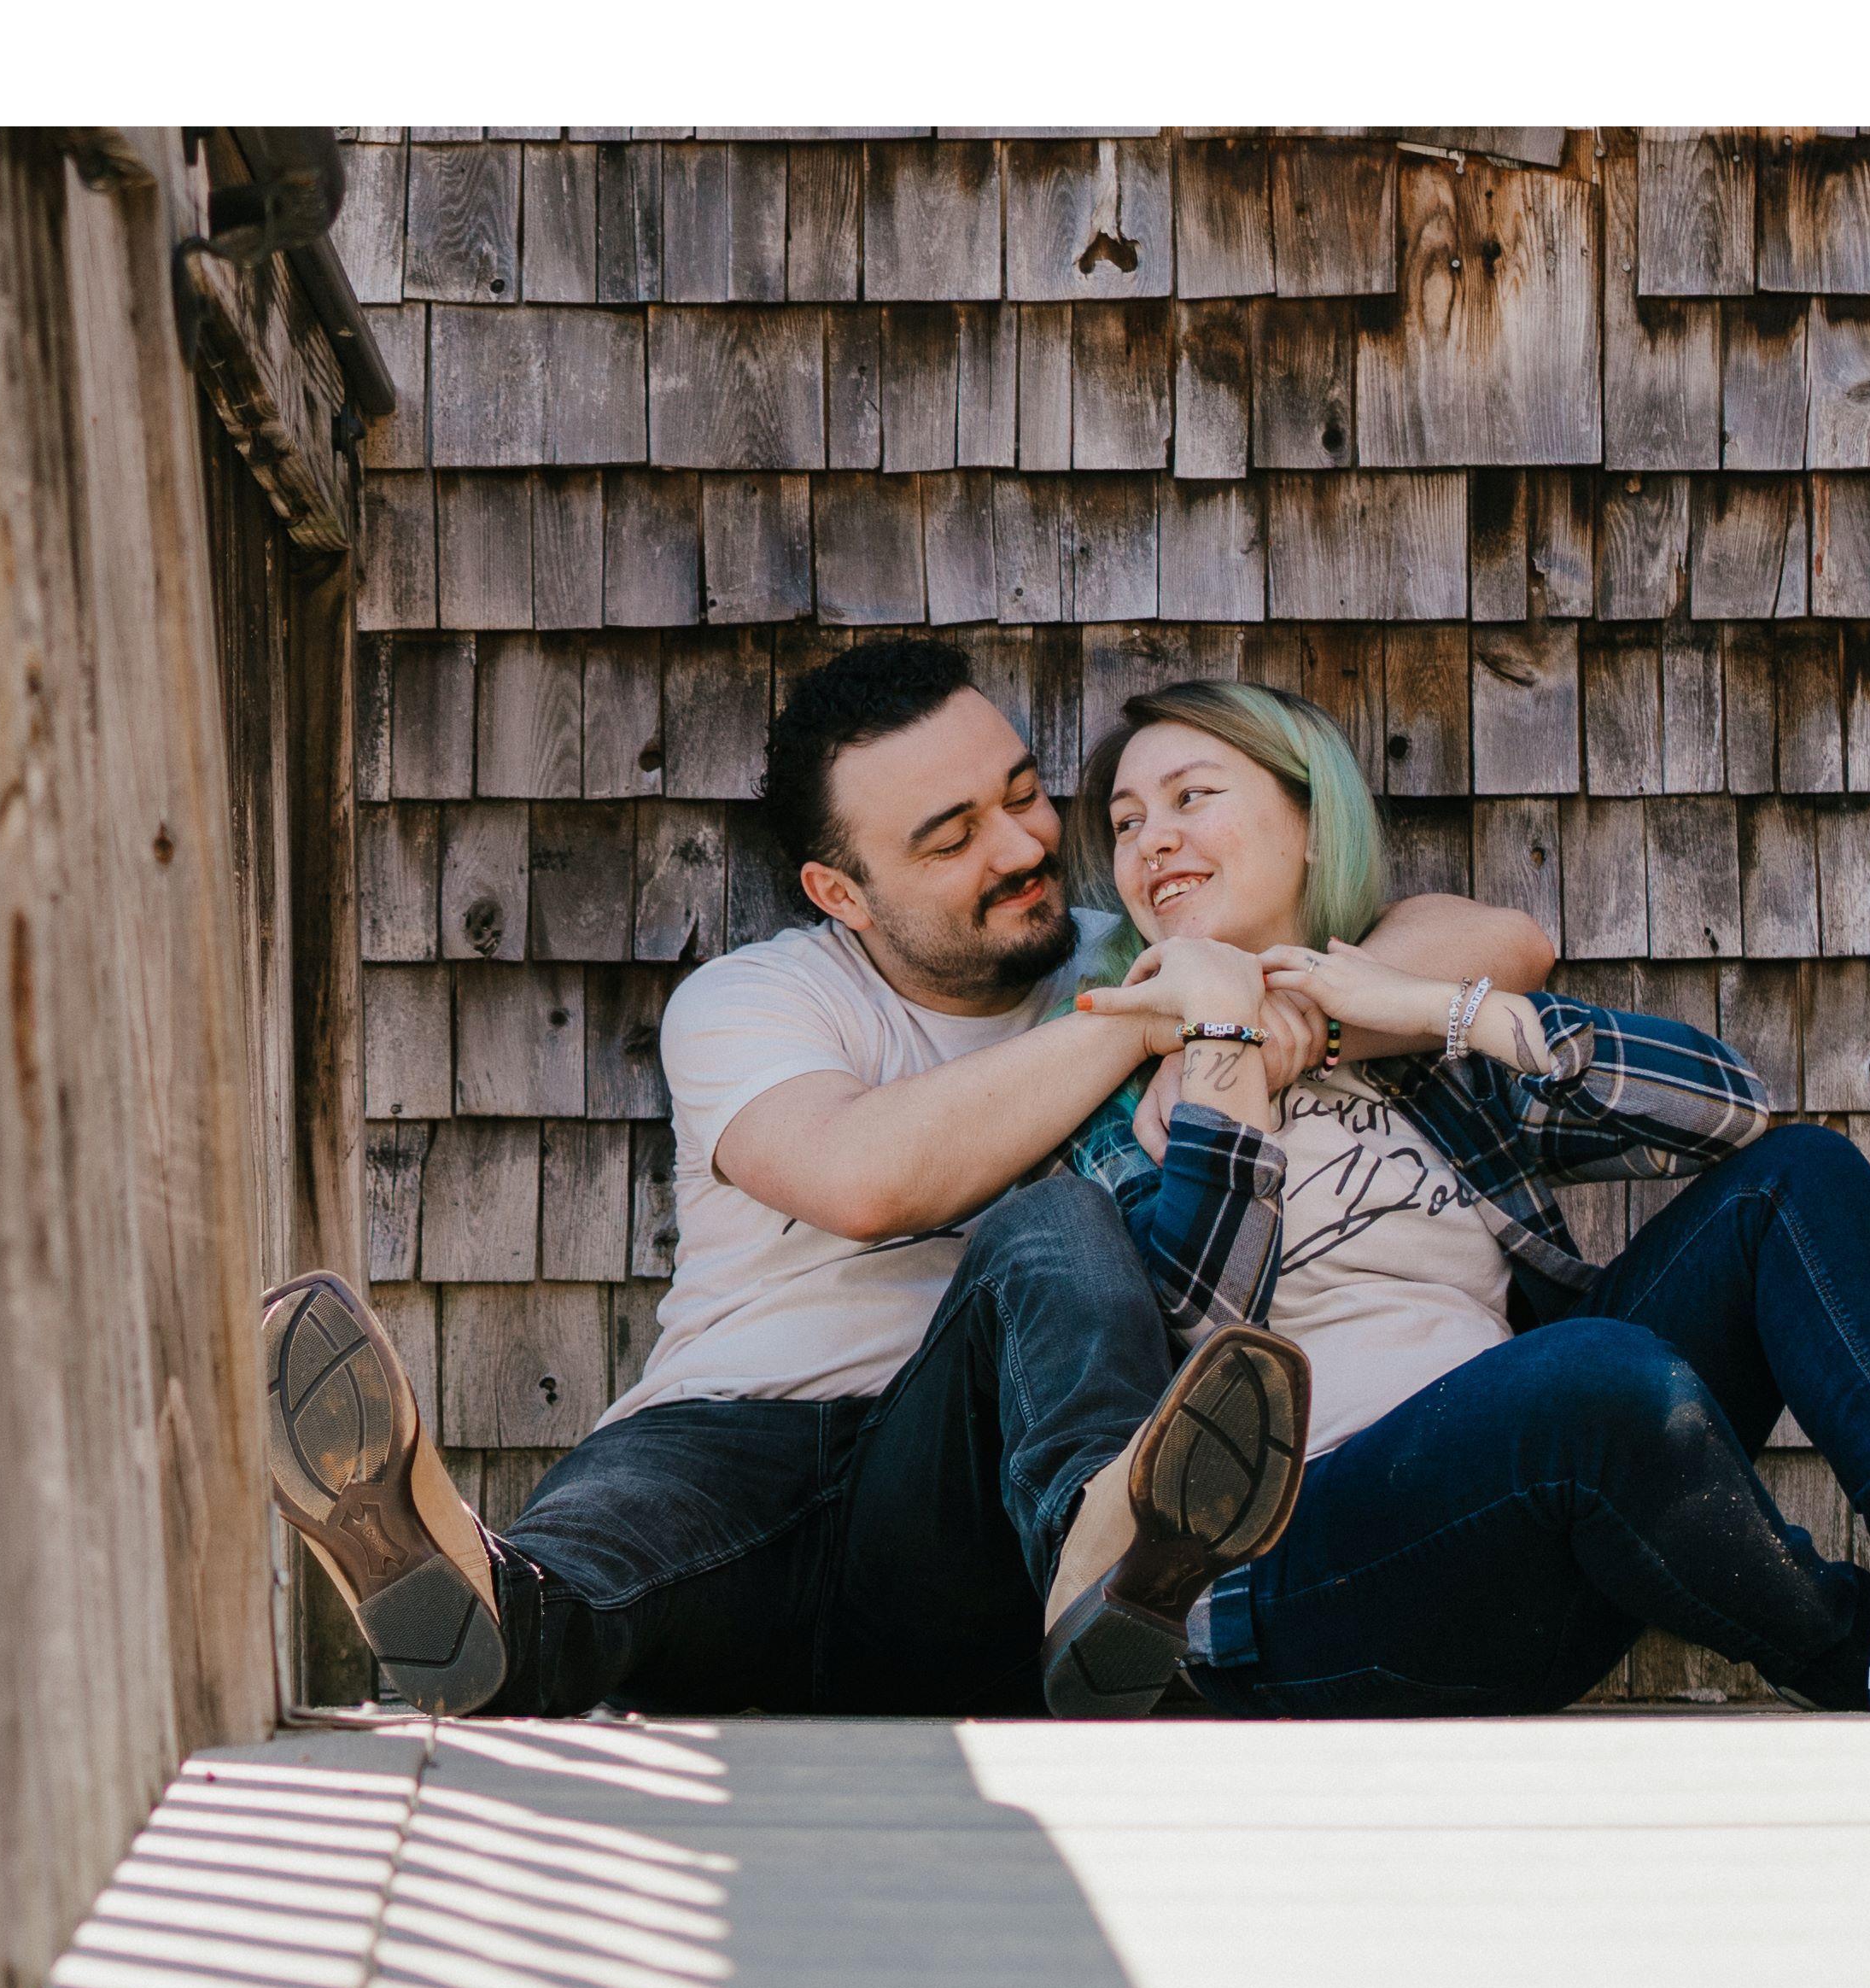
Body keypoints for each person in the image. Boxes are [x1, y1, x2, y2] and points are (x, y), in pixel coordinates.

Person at [260, 633, 1556, 1720]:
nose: (1022, 847)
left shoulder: (1145, 945)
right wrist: (1157, 1021)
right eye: (952, 840)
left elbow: (1489, 942)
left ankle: (1110, 1566)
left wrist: (1289, 1003)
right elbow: (864, 1176)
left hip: (970, 1504)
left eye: (1024, 793)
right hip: (734, 1442)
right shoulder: (759, 1000)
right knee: (595, 1561)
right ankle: (465, 1587)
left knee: (1056, 1225)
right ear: (843, 891)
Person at [1044, 676, 1870, 1716]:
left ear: (1312, 827)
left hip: (1543, 1510)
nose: (1154, 840)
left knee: (1798, 1180)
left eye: (1192, 797)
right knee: (1589, 1372)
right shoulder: (1116, 1105)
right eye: (1128, 822)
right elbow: (1206, 1324)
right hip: (1318, 1577)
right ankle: (1863, 1649)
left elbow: (1731, 1109)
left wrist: (1443, 1011)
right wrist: (1221, 1043)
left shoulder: (1419, 1063)